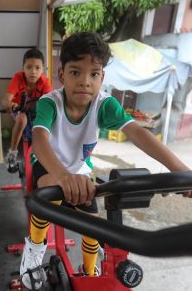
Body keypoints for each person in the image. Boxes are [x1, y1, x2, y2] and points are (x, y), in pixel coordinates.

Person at [19, 32, 192, 290]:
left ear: (102, 77)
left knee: (94, 225)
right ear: (61, 74)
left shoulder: (104, 105)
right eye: (76, 73)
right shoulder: (50, 103)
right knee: (48, 193)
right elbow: (40, 139)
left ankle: (90, 270)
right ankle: (34, 247)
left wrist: (180, 171)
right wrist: (64, 176)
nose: (85, 82)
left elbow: (138, 134)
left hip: (78, 171)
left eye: (94, 74)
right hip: (50, 165)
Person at [1, 48, 52, 173]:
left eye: (37, 68)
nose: (33, 72)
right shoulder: (18, 78)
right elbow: (7, 99)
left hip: (37, 113)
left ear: (43, 69)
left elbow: (51, 103)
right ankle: (12, 154)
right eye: (28, 67)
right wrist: (10, 104)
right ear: (23, 68)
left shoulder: (45, 82)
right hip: (20, 110)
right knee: (22, 118)